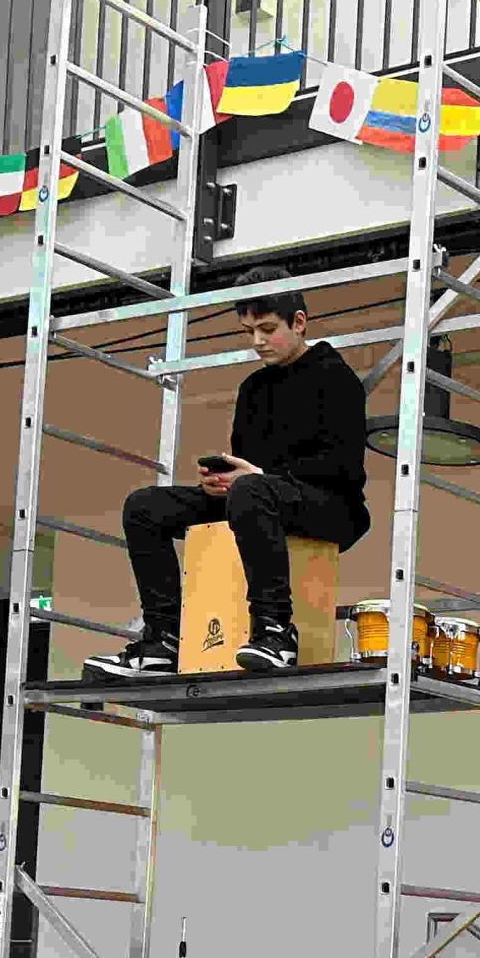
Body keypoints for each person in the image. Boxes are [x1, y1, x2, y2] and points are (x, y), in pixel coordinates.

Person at [84, 266, 371, 680]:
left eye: (267, 329)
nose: (257, 341)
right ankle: (163, 640)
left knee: (251, 490)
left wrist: (258, 476)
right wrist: (222, 481)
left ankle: (275, 632)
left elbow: (341, 466)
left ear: (299, 322)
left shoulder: (335, 377)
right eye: (249, 331)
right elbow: (246, 464)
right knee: (144, 506)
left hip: (331, 505)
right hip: (258, 496)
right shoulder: (253, 388)